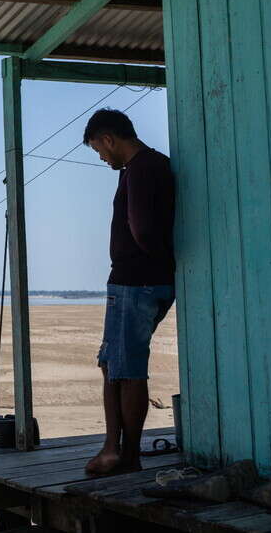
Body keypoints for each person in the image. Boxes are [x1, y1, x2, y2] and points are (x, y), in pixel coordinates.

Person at [81, 109, 176, 475]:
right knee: (113, 364)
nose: (102, 157)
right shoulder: (153, 166)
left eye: (98, 150)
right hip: (144, 280)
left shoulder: (139, 169)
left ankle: (120, 453)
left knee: (126, 369)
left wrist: (150, 260)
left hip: (135, 282)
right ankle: (117, 450)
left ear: (108, 139)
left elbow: (143, 228)